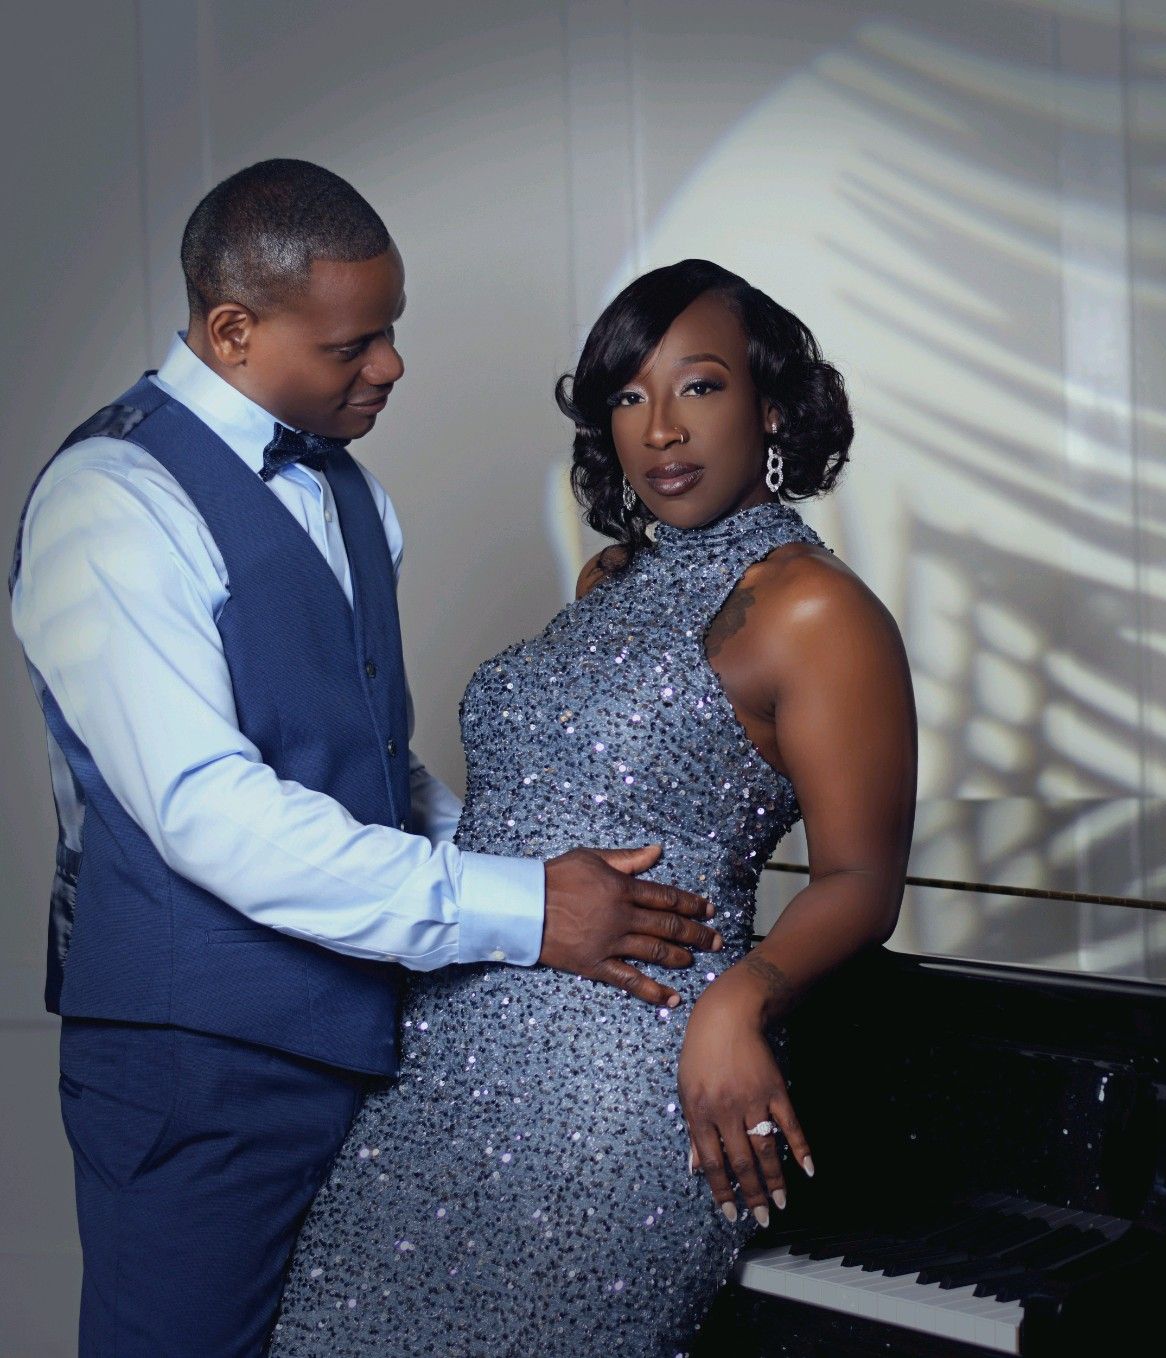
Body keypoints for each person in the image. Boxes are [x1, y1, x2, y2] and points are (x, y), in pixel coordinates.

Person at [8, 161, 721, 1358]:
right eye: (357, 343)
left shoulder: (353, 496)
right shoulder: (112, 497)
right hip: (199, 1072)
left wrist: (517, 862)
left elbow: (360, 762)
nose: (389, 366)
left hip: (377, 1041)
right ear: (233, 330)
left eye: (391, 331)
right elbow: (211, 814)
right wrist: (523, 904)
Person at [268, 258, 918, 1355]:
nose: (660, 427)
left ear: (769, 404)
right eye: (628, 395)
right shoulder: (606, 582)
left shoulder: (815, 608)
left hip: (625, 1092)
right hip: (442, 1076)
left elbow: (862, 879)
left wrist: (735, 1004)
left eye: (699, 387)